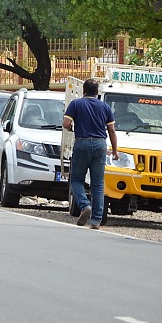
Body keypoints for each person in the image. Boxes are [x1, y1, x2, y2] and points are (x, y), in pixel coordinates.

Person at [63, 79, 118, 229]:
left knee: (76, 179)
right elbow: (111, 130)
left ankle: (85, 205)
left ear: (83, 90)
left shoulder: (76, 104)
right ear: (97, 91)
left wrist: (72, 129)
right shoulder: (105, 107)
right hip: (101, 145)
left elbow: (66, 123)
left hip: (82, 143)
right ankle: (96, 220)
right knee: (98, 184)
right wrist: (115, 151)